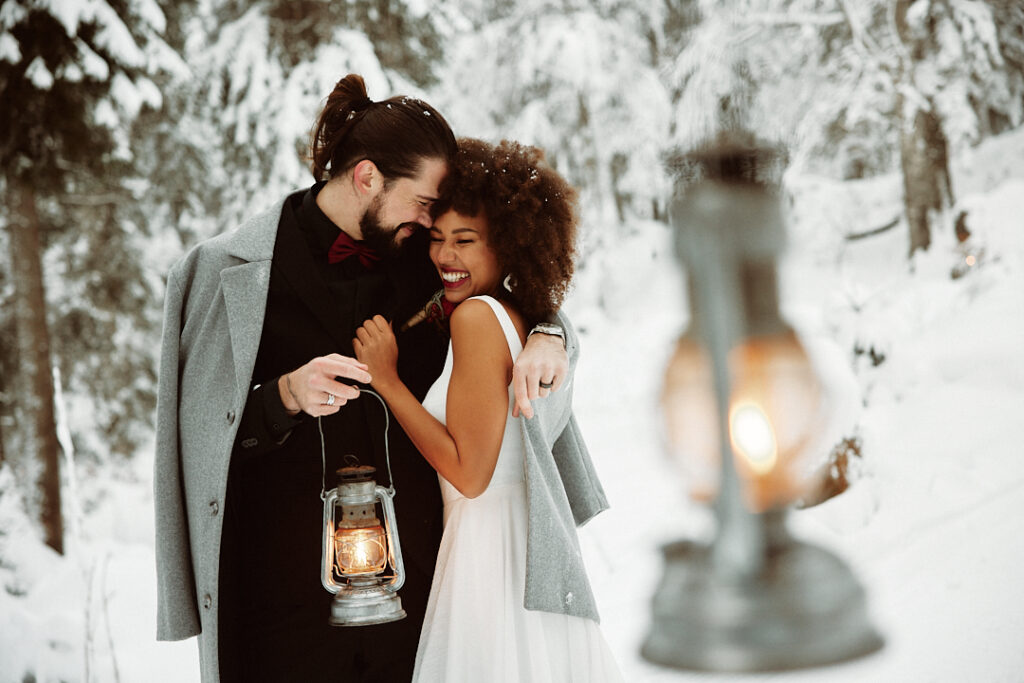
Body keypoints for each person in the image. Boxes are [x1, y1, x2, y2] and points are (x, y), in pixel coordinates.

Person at [153, 75, 569, 683]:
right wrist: (286, 395)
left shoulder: (431, 261)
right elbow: (191, 438)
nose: (432, 224)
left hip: (424, 598)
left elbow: (523, 294)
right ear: (367, 176)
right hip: (275, 604)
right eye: (425, 203)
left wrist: (551, 335)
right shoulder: (219, 272)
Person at [354, 138, 623, 682]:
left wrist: (386, 381)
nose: (444, 257)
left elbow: (470, 475)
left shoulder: (477, 317)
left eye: (465, 241)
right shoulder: (521, 316)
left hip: (489, 552)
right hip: (517, 545)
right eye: (436, 240)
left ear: (507, 244)